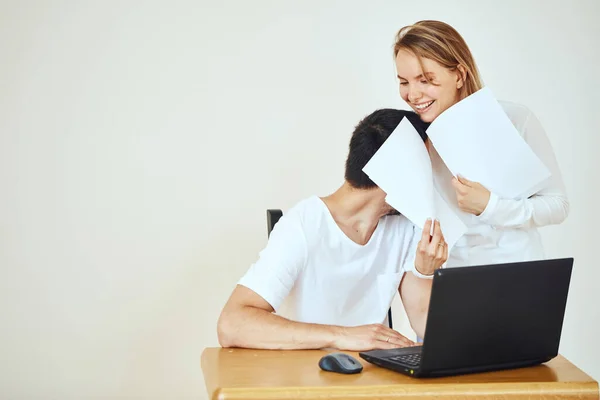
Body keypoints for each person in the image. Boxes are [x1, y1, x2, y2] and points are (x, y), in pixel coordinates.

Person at [217, 109, 447, 351]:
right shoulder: (304, 225)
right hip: (304, 375)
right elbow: (232, 324)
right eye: (427, 167)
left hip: (372, 378)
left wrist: (424, 271)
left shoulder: (405, 227)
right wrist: (341, 335)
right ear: (398, 173)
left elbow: (425, 326)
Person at [392, 20, 570, 333]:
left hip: (519, 287)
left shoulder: (514, 119)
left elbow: (557, 205)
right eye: (404, 82)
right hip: (453, 293)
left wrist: (490, 206)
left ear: (458, 75)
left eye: (426, 79)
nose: (413, 93)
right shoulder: (413, 141)